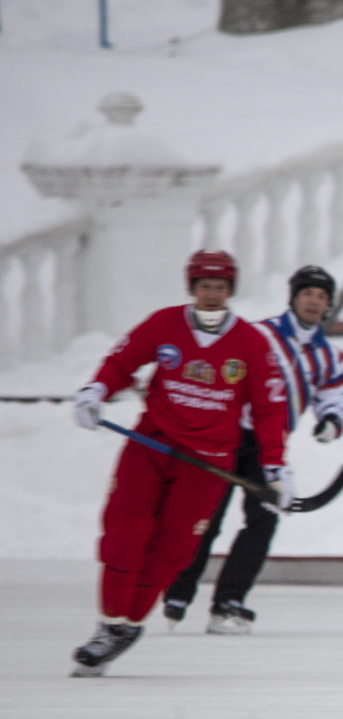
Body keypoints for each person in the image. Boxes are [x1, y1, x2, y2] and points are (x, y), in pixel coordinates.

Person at [68, 249, 292, 677]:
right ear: (192, 287)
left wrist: (277, 467)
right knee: (124, 532)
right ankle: (109, 623)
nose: (212, 294)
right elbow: (123, 361)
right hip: (152, 445)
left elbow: (269, 410)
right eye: (205, 285)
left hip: (207, 463)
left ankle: (130, 624)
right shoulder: (164, 324)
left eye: (220, 287)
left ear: (230, 290)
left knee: (172, 550)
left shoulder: (250, 343)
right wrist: (96, 390)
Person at [163, 265, 343, 634]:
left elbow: (336, 393)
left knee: (263, 520)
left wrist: (331, 420)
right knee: (206, 517)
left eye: (321, 296)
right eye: (307, 293)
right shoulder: (258, 334)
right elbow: (218, 368)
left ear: (328, 304)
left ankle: (228, 603)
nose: (313, 301)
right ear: (293, 297)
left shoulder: (329, 355)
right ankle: (177, 592)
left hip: (269, 447)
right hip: (227, 435)